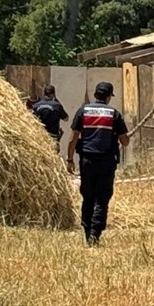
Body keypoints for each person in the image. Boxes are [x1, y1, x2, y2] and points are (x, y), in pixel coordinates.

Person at [67, 81, 129, 246]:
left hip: (87, 160)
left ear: (95, 95)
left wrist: (70, 159)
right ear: (109, 97)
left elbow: (73, 139)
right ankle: (95, 233)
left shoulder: (83, 111)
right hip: (106, 161)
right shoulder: (114, 114)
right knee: (102, 198)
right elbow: (125, 142)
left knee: (88, 197)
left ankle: (87, 231)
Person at [31, 84, 69, 152]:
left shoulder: (36, 105)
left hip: (39, 137)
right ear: (53, 94)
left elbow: (31, 119)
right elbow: (66, 118)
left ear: (44, 93)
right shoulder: (56, 105)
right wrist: (57, 101)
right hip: (53, 137)